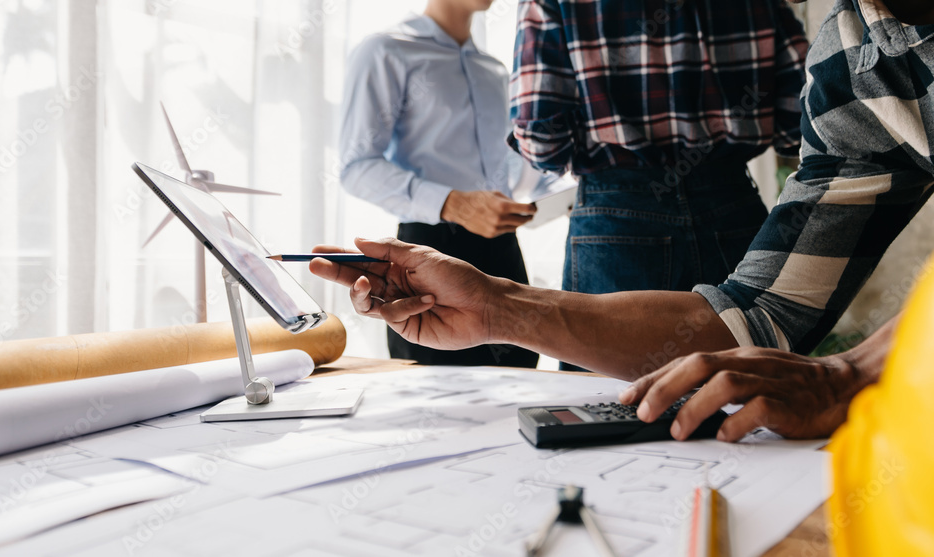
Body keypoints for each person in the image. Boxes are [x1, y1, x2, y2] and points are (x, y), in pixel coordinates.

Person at [313, 0, 934, 442]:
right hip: (728, 196)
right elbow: (759, 317)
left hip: (612, 208)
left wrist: (856, 370)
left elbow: (538, 136)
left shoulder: (537, 22)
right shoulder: (850, 57)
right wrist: (500, 305)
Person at [509, 1, 807, 312]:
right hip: (732, 206)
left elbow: (541, 140)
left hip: (616, 219)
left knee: (608, 358)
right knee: (744, 353)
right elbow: (798, 119)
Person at [340, 0, 554, 368]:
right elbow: (356, 166)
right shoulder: (386, 50)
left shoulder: (495, 70)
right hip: (428, 251)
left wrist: (547, 191)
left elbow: (510, 167)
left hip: (503, 251)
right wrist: (452, 202)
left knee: (520, 389)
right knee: (436, 401)